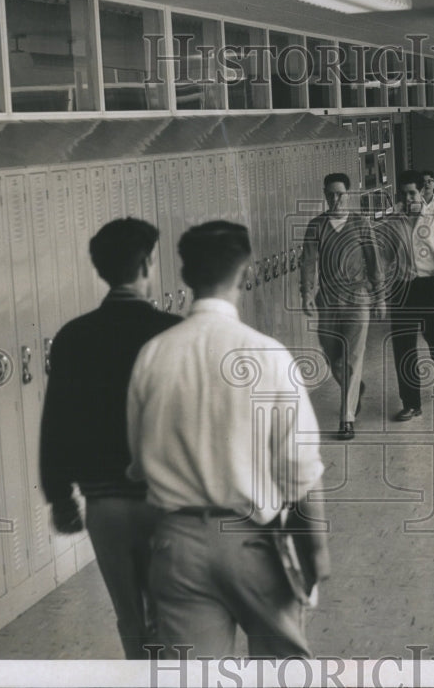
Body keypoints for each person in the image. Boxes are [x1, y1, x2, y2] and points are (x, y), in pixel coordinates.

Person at [126, 221, 327, 658]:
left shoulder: (154, 355)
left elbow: (139, 464)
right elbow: (301, 469)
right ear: (245, 273)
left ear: (185, 277)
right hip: (254, 541)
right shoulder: (268, 354)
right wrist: (317, 550)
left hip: (177, 546)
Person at [39, 217, 182, 659]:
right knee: (174, 618)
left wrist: (60, 498)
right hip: (169, 503)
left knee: (131, 619)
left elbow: (56, 422)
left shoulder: (73, 337)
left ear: (102, 270)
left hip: (105, 506)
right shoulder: (173, 331)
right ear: (146, 264)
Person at [301, 172, 384, 441]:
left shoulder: (361, 224)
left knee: (351, 358)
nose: (335, 199)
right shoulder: (316, 226)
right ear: (325, 195)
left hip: (358, 298)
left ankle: (346, 418)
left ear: (349, 194)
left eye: (340, 194)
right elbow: (308, 263)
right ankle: (354, 387)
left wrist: (379, 296)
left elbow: (374, 262)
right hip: (328, 300)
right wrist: (307, 294)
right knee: (333, 358)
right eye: (331, 194)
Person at [382, 170, 434, 421]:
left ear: (421, 193)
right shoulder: (393, 222)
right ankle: (411, 403)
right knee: (404, 348)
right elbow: (384, 257)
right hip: (402, 289)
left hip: (433, 287)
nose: (408, 199)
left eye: (412, 193)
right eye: (403, 194)